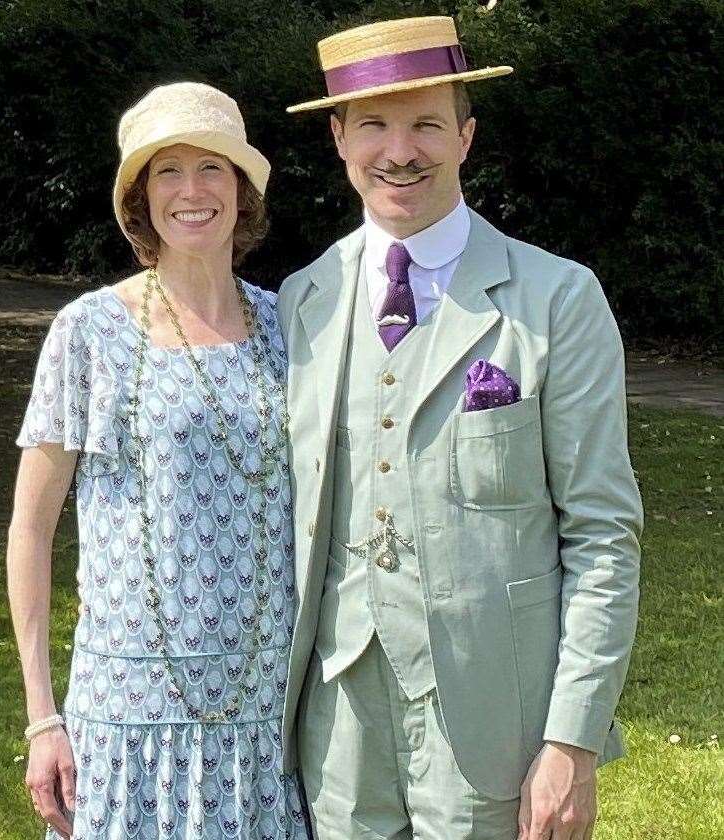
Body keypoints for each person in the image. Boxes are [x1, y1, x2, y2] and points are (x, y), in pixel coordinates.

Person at [277, 16, 643, 840]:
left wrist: (571, 742)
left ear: (467, 137)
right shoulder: (305, 299)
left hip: (496, 729)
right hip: (338, 728)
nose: (399, 150)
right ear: (338, 138)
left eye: (427, 124)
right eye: (373, 123)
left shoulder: (557, 299)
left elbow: (603, 535)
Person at [7, 81, 309, 840]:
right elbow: (30, 531)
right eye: (167, 172)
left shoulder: (293, 325)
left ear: (242, 191)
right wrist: (43, 718)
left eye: (212, 168)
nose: (192, 191)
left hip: (269, 717)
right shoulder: (89, 334)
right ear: (141, 199)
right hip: (128, 723)